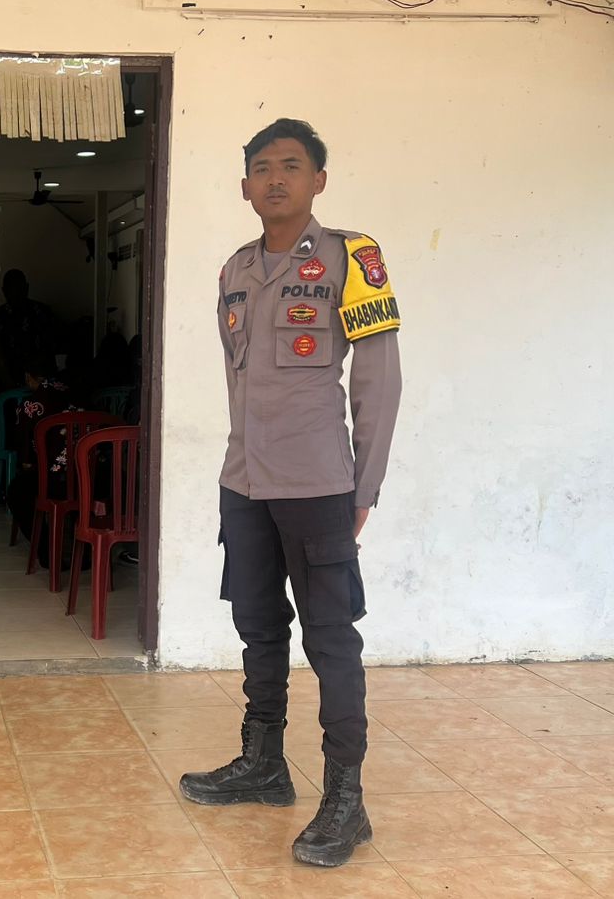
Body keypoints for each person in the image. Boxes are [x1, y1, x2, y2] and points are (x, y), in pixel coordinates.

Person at [180, 119, 402, 869]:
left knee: (330, 638)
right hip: (244, 480)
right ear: (245, 185)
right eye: (262, 168)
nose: (275, 178)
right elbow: (237, 378)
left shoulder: (353, 258)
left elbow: (378, 378)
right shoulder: (235, 269)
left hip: (317, 483)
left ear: (318, 181)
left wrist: (365, 484)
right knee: (257, 622)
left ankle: (346, 798)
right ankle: (263, 763)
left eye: (291, 166)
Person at [5, 355, 80, 566]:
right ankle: (85, 555)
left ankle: (48, 552)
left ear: (29, 377)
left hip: (54, 481)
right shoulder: (78, 394)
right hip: (88, 477)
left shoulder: (30, 406)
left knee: (17, 493)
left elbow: (27, 460)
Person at [0, 269, 57, 387]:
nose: (15, 293)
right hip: (9, 376)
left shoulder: (41, 312)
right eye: (12, 289)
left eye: (19, 289)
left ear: (26, 288)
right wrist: (10, 386)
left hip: (39, 374)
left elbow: (50, 348)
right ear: (4, 291)